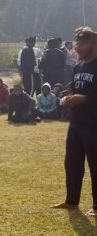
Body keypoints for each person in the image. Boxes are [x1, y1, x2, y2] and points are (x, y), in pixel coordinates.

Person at [52, 27, 97, 216]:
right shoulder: (78, 67)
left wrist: (85, 99)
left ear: (94, 44)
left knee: (95, 164)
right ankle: (71, 200)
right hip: (76, 123)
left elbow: (89, 94)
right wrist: (67, 98)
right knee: (71, 162)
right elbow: (74, 88)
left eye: (83, 44)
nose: (78, 48)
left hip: (94, 124)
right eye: (77, 44)